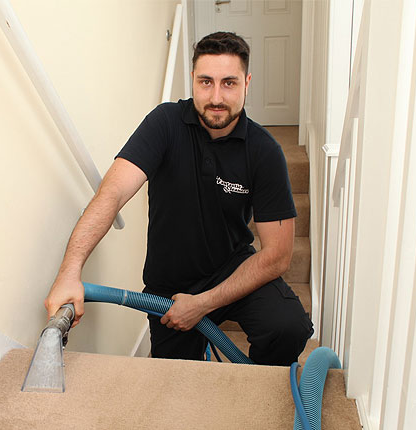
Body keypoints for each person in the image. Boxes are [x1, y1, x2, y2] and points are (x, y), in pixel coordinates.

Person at [45, 32, 313, 365]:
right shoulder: (164, 124)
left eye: (229, 83)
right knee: (174, 390)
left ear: (247, 83)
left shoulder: (264, 151)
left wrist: (203, 304)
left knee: (288, 327)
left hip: (232, 272)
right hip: (169, 287)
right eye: (206, 82)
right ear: (192, 81)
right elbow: (111, 194)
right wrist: (70, 272)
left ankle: (256, 383)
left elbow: (278, 256)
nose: (216, 97)